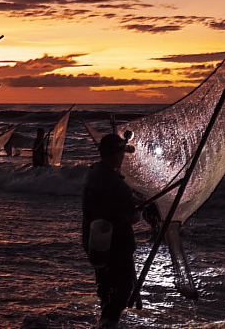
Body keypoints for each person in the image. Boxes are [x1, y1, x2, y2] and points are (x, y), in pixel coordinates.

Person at [82, 134, 141, 329]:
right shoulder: (117, 184)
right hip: (117, 245)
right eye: (122, 153)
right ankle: (108, 324)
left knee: (106, 287)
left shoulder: (94, 173)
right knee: (123, 288)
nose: (123, 158)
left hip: (95, 243)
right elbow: (132, 217)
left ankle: (105, 319)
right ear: (115, 154)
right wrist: (136, 209)